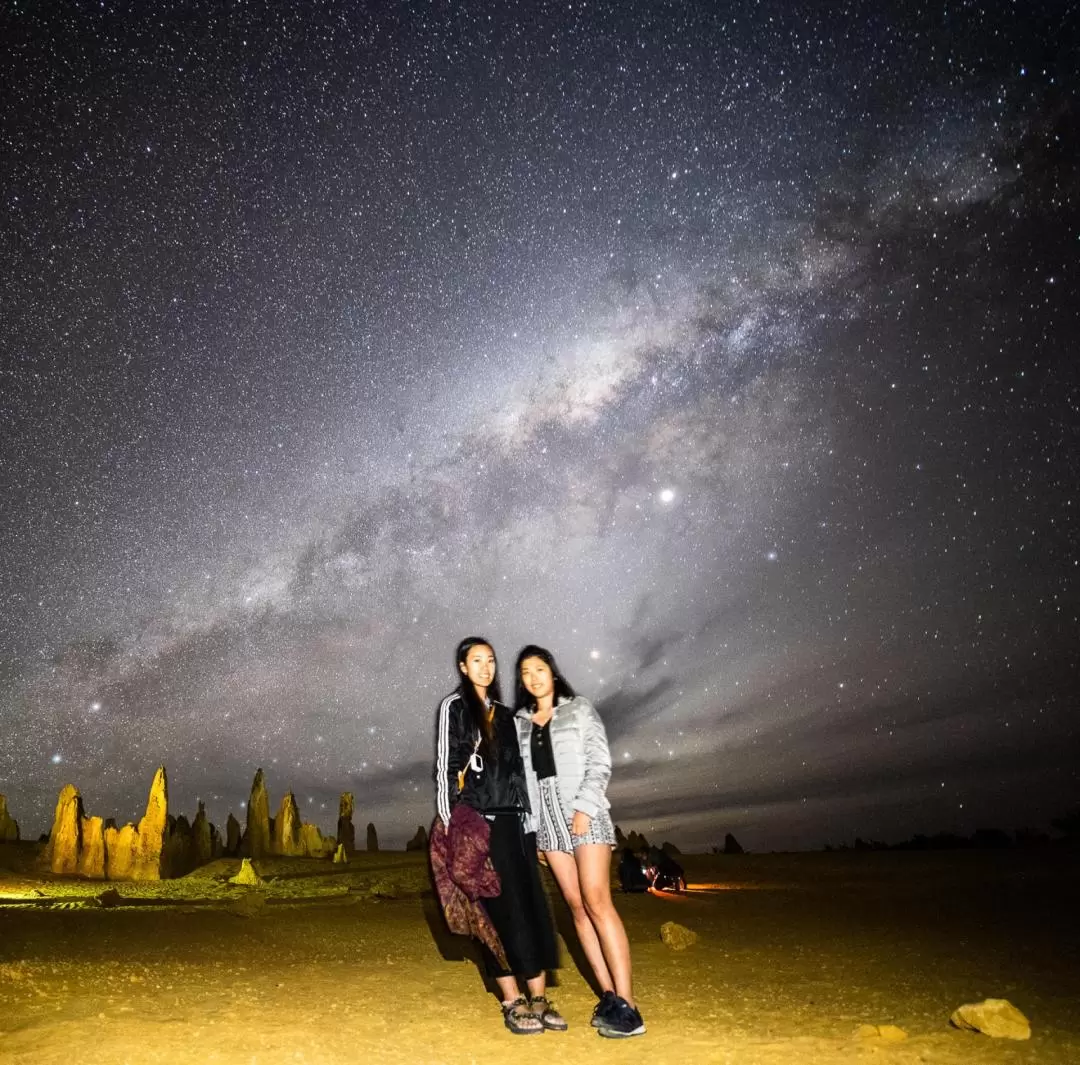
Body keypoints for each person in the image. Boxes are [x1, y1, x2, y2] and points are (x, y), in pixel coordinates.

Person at [514, 645, 646, 1038]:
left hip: (582, 811)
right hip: (547, 822)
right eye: (525, 672)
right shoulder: (521, 723)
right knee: (574, 907)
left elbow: (600, 761)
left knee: (596, 900)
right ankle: (608, 996)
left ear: (553, 672)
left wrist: (587, 806)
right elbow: (523, 782)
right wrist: (533, 827)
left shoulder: (580, 709)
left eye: (540, 668)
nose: (534, 677)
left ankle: (628, 1004)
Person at [435, 637, 564, 1035]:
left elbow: (520, 769)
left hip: (516, 822)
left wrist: (532, 821)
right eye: (477, 661)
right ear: (462, 666)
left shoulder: (508, 715)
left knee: (529, 906)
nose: (486, 668)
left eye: (490, 661)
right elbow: (446, 767)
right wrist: (452, 822)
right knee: (492, 911)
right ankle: (511, 1000)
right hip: (478, 822)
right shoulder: (454, 708)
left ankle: (538, 996)